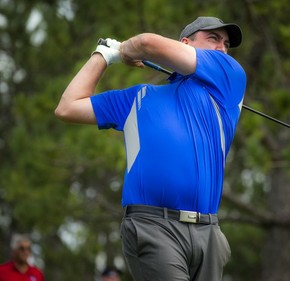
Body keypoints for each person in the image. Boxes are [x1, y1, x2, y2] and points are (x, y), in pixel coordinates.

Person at [55, 16, 246, 281]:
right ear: (185, 43)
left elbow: (146, 43)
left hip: (209, 233)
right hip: (153, 227)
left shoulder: (229, 77)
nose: (221, 48)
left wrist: (124, 51)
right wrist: (103, 55)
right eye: (213, 38)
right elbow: (68, 107)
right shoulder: (138, 97)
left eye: (226, 43)